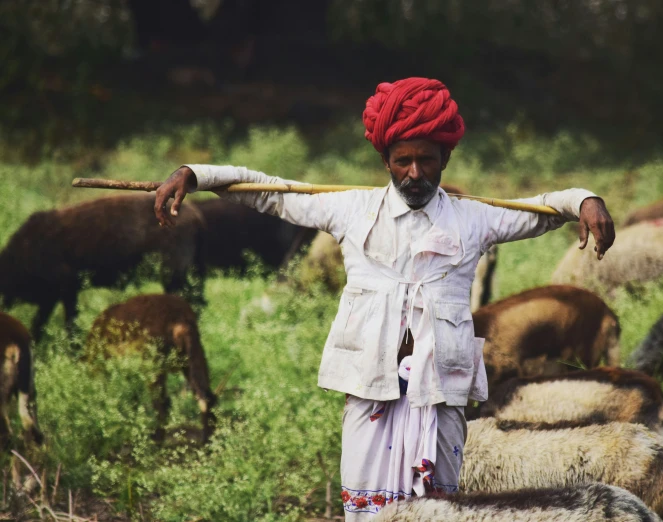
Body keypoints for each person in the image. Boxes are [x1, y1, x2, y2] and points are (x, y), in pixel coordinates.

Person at [154, 77, 615, 520]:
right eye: (403, 161)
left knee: (439, 512)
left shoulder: (476, 219)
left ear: (445, 158)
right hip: (369, 390)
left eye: (427, 161)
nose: (415, 174)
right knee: (368, 514)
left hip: (440, 397)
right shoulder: (351, 209)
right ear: (386, 160)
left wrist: (586, 200)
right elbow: (267, 192)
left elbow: (546, 209)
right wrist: (193, 174)